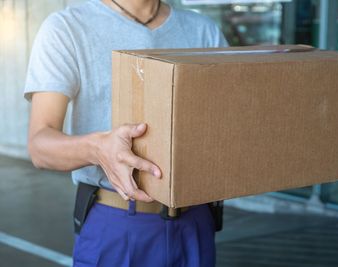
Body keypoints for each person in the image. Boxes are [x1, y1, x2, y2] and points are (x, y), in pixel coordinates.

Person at [24, 0, 228, 266]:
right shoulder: (66, 28)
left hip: (196, 220)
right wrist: (97, 149)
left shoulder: (203, 30)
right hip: (116, 221)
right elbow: (40, 145)